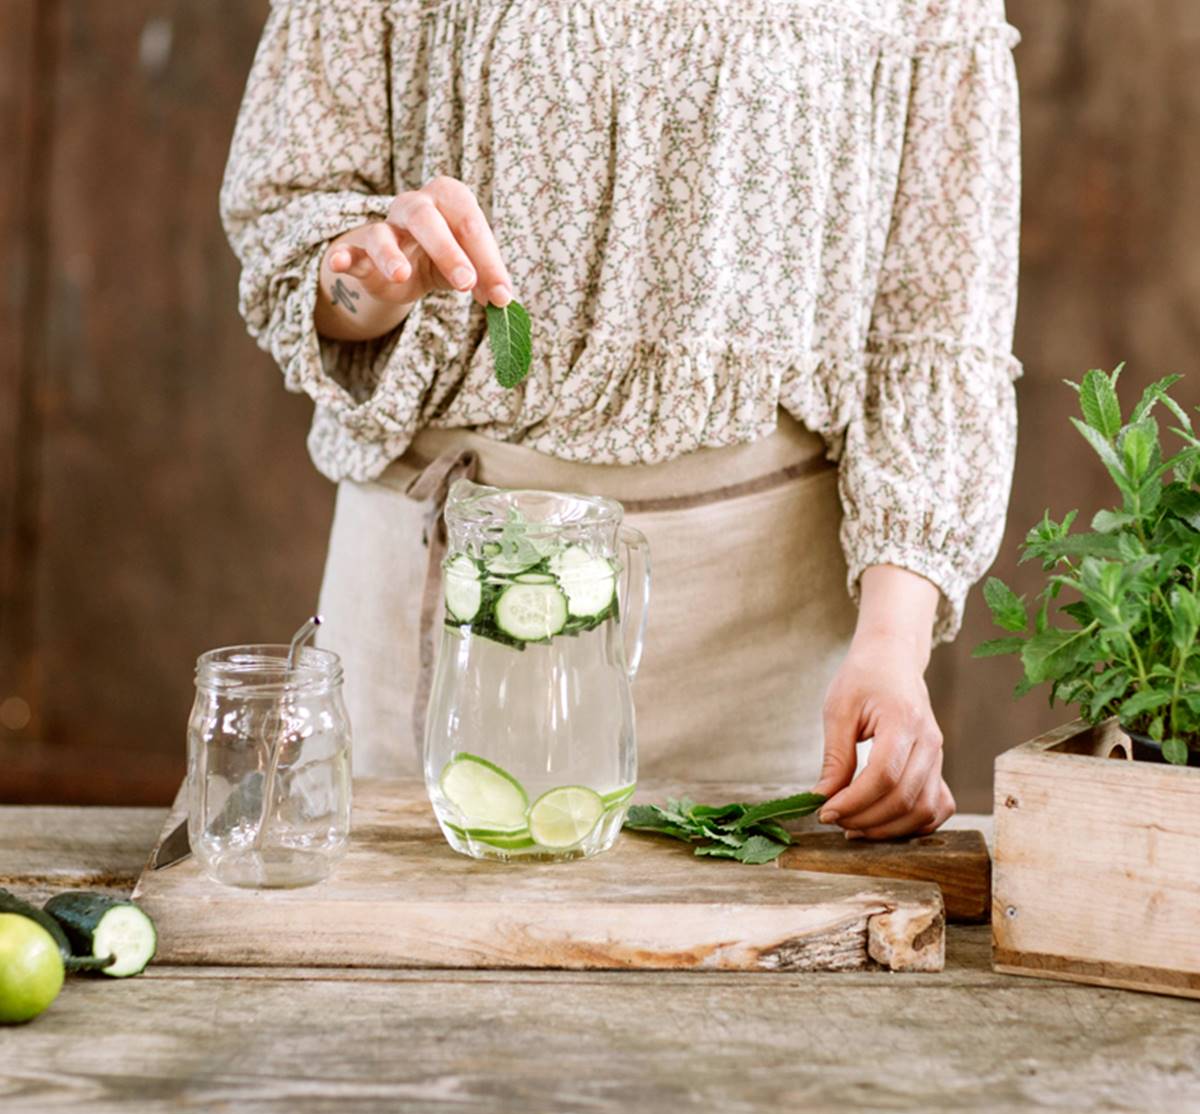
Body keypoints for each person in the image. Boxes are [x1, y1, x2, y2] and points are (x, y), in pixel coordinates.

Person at [220, 0, 1021, 840]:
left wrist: (894, 646)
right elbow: (297, 239)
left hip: (761, 642)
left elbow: (935, 331)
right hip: (449, 595)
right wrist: (373, 276)